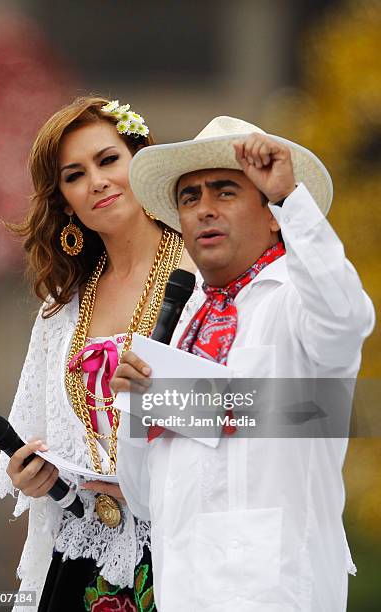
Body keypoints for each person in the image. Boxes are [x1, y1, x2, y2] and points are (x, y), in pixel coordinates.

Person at [111, 116, 375, 611]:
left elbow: (347, 317)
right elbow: (145, 496)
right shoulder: (183, 321)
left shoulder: (296, 298)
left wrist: (291, 197)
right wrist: (134, 413)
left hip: (278, 594)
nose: (204, 210)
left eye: (225, 192)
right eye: (189, 198)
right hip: (184, 592)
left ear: (272, 214)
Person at [0, 95, 195, 612]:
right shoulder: (62, 308)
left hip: (185, 553)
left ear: (141, 163)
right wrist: (37, 475)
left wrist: (147, 472)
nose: (98, 181)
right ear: (64, 202)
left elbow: (263, 412)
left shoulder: (203, 275)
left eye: (109, 160)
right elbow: (52, 431)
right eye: (74, 175)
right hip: (84, 552)